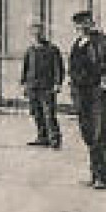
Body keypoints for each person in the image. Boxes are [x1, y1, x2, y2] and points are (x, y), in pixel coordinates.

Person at [67, 10, 106, 189]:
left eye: (84, 23)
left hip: (98, 92)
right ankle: (94, 172)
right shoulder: (78, 43)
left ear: (91, 23)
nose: (80, 27)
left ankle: (102, 176)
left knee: (99, 133)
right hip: (81, 93)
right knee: (87, 132)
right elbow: (73, 65)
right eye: (77, 24)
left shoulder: (105, 42)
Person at [20, 19, 66, 149]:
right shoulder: (30, 50)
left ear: (43, 33)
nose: (36, 35)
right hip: (32, 86)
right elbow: (25, 68)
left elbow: (58, 68)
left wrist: (57, 84)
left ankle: (54, 139)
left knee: (49, 113)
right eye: (33, 32)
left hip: (47, 87)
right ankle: (42, 137)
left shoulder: (52, 49)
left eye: (38, 32)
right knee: (36, 113)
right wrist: (24, 84)